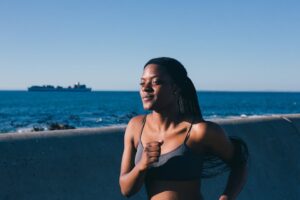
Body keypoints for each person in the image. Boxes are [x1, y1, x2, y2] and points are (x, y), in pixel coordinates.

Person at [119, 57, 248, 200]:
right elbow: (126, 190)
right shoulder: (135, 127)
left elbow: (239, 164)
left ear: (175, 88)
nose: (145, 88)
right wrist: (141, 166)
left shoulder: (200, 131)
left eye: (155, 82)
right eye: (142, 83)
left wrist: (227, 197)